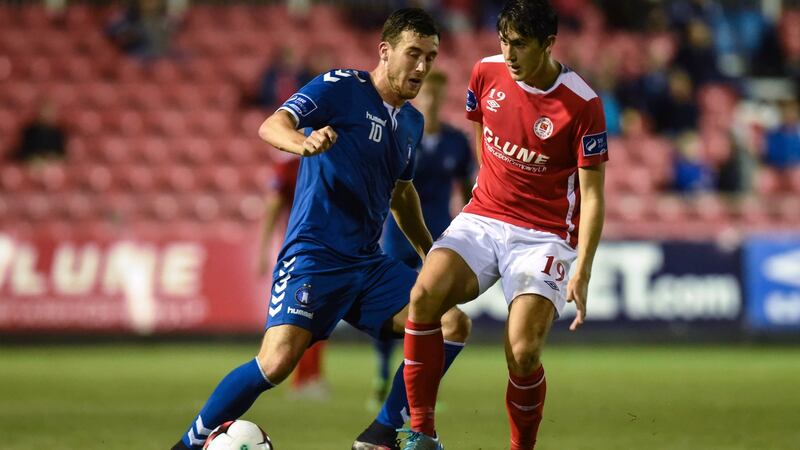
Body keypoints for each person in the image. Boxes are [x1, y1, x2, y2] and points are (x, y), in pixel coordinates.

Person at [171, 9, 472, 450]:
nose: (422, 67)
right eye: (413, 54)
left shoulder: (410, 122)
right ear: (385, 52)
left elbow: (402, 192)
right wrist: (303, 143)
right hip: (314, 256)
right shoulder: (342, 87)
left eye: (430, 56)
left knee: (450, 322)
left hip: (367, 266)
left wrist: (428, 249)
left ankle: (381, 434)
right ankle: (186, 445)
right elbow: (272, 124)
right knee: (276, 363)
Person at [401, 1, 608, 449]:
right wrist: (487, 192)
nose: (509, 54)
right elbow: (482, 134)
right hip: (484, 216)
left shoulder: (583, 104)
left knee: (522, 351)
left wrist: (584, 267)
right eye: (504, 41)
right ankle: (420, 433)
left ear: (548, 44)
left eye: (521, 44)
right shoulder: (485, 74)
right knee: (423, 295)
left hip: (544, 234)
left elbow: (592, 195)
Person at [373, 70, 474, 406]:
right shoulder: (403, 132)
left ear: (443, 97)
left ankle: (424, 385)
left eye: (436, 94)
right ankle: (383, 373)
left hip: (439, 235)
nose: (430, 100)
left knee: (436, 311)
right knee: (394, 307)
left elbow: (466, 189)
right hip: (399, 233)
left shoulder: (457, 141)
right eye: (426, 93)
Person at [257, 156, 329, 400]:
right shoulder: (289, 166)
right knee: (302, 314)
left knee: (315, 316)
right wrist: (263, 249)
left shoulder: (323, 159)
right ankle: (303, 379)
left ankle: (310, 378)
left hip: (327, 250)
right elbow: (273, 207)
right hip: (300, 253)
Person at [14, 98, 67, 163]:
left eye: (50, 112)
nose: (47, 115)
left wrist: (52, 158)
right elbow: (24, 153)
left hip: (53, 164)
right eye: (44, 112)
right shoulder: (30, 131)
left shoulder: (59, 132)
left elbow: (61, 154)